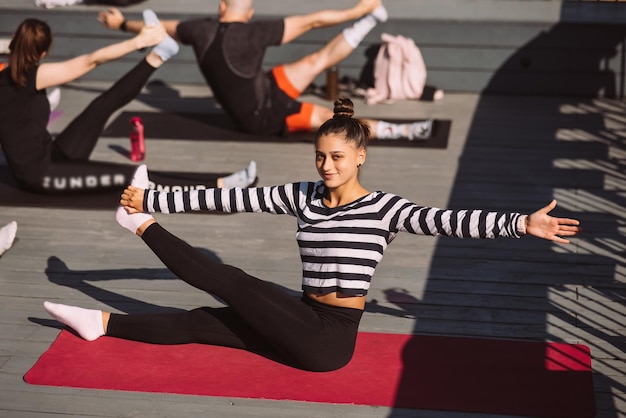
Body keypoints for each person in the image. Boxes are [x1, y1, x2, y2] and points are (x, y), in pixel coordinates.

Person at [43, 98, 582, 372]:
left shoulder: (382, 209)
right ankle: (101, 323)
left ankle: (138, 226)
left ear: (360, 157)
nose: (327, 166)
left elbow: (450, 220)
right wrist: (161, 194)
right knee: (202, 323)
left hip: (328, 339)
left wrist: (522, 224)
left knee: (231, 281)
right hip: (298, 314)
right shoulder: (301, 195)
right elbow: (228, 199)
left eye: (337, 157)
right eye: (321, 156)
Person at [97, 0, 435, 141]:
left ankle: (372, 20)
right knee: (332, 118)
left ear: (222, 7)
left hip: (265, 87)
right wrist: (356, 7)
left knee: (313, 62)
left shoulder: (198, 28)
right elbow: (313, 20)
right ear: (248, 12)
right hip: (260, 116)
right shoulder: (251, 32)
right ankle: (405, 131)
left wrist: (121, 23)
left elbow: (159, 29)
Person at [0, 14, 257, 195]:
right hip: (43, 178)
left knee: (100, 106)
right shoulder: (35, 76)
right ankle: (220, 186)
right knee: (133, 177)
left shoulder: (14, 77)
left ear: (13, 42)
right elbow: (92, 60)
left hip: (53, 154)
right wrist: (137, 41)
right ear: (44, 52)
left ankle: (159, 55)